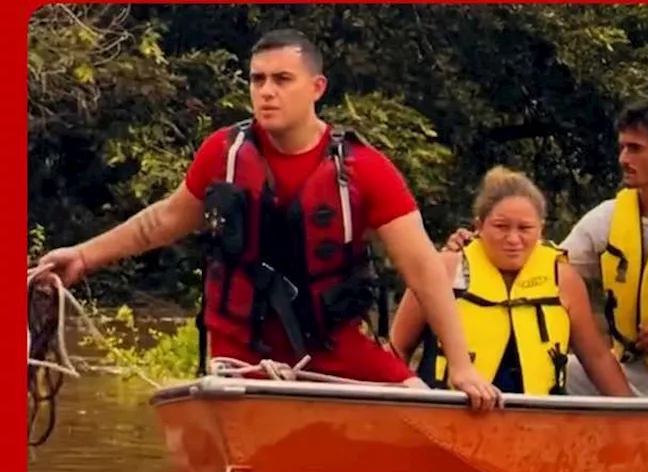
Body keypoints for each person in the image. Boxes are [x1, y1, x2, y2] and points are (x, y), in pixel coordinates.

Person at [35, 29, 500, 410]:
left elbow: (422, 268)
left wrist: (460, 366)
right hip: (242, 350)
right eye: (258, 80)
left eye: (282, 79)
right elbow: (161, 221)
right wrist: (82, 255)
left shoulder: (364, 169)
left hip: (333, 346)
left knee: (420, 405)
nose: (267, 92)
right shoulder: (224, 153)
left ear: (316, 88)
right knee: (229, 398)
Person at [443, 100, 648, 398]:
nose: (623, 158)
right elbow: (540, 267)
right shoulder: (609, 217)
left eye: (636, 149)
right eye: (622, 147)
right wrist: (474, 246)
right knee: (574, 368)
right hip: (631, 370)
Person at [388, 167, 633, 398]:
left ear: (541, 230)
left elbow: (597, 358)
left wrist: (640, 417)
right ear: (479, 226)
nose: (513, 239)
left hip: (535, 423)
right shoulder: (443, 269)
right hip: (451, 417)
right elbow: (397, 349)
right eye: (501, 227)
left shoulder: (564, 280)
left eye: (525, 228)